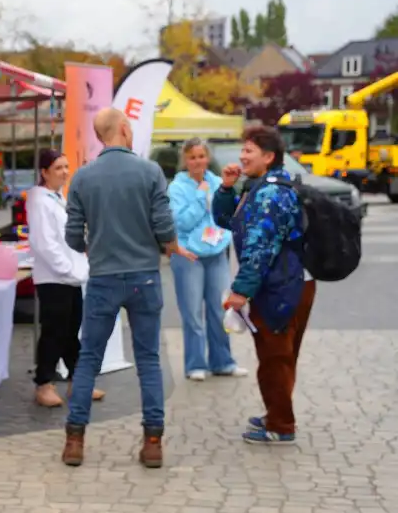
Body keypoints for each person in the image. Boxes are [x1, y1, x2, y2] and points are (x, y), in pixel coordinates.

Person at [62, 108, 195, 469]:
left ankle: (75, 440)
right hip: (144, 277)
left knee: (89, 358)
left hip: (103, 278)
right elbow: (164, 226)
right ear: (123, 129)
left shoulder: (82, 177)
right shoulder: (150, 171)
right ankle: (153, 442)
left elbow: (73, 235)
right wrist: (170, 246)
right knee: (148, 360)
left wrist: (92, 246)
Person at [212, 126, 314, 445]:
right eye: (243, 149)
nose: (242, 156)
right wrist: (227, 190)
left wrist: (240, 291)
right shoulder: (260, 186)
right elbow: (229, 222)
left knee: (274, 357)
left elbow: (259, 247)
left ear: (268, 157)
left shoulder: (270, 192)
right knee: (281, 356)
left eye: (249, 150)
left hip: (282, 286)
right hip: (291, 283)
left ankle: (281, 425)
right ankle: (277, 413)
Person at [27, 149, 103, 408]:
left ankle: (78, 380)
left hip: (71, 276)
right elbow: (44, 243)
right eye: (58, 168)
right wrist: (66, 269)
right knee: (54, 332)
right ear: (44, 172)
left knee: (71, 331)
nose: (64, 172)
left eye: (66, 167)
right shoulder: (39, 200)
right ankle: (43, 383)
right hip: (53, 278)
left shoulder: (58, 197)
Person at [167, 139, 248, 382]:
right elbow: (181, 223)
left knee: (219, 310)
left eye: (201, 156)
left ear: (207, 158)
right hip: (189, 256)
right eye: (192, 157)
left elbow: (227, 213)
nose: (197, 162)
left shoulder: (217, 182)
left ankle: (223, 362)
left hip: (216, 254)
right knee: (192, 314)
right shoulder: (177, 187)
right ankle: (195, 365)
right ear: (185, 160)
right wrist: (201, 198)